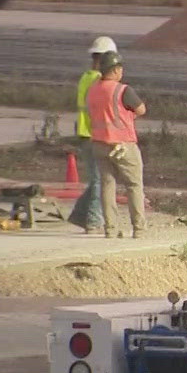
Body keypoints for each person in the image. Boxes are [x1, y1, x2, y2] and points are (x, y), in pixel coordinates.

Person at [87, 53, 148, 238]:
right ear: (115, 70)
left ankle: (110, 229)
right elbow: (141, 109)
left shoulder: (93, 90)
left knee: (107, 185)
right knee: (134, 185)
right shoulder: (123, 90)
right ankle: (139, 229)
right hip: (122, 144)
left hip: (99, 143)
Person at [67, 36, 117, 234]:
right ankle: (93, 221)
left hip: (85, 132)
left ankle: (80, 215)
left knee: (97, 179)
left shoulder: (86, 76)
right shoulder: (98, 80)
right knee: (100, 180)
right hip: (93, 133)